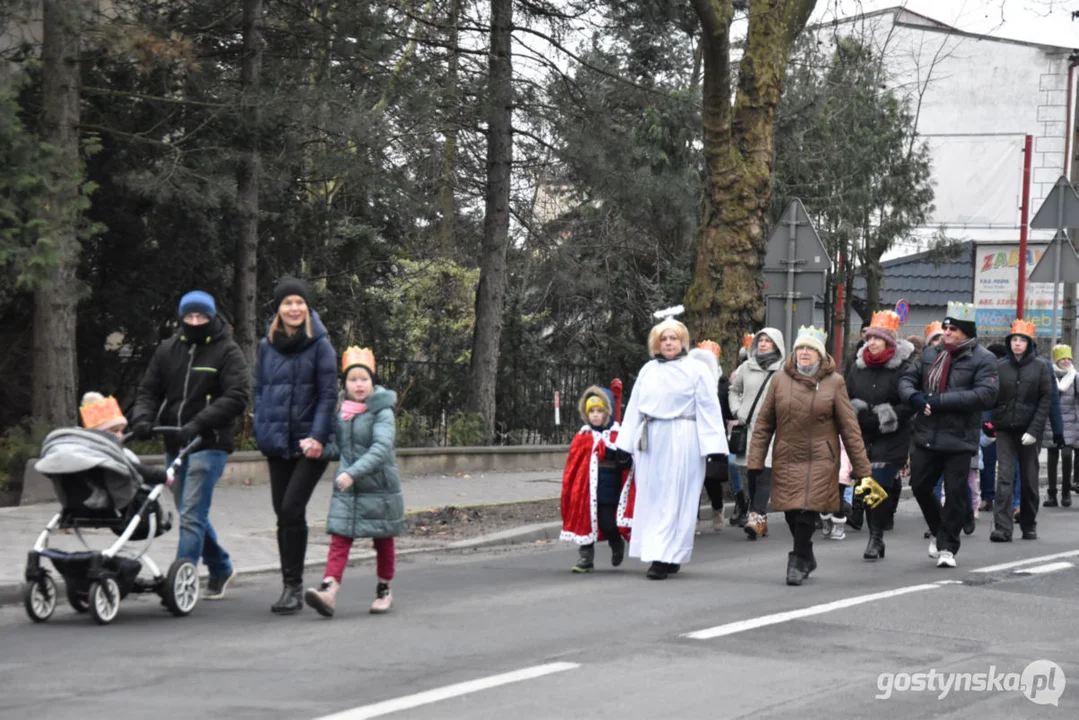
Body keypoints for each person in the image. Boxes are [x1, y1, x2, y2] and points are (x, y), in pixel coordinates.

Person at [131, 290, 249, 600]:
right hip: (176, 441)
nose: (195, 322)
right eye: (189, 317)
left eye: (201, 317)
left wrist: (200, 422)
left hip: (209, 442)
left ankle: (180, 582)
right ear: (181, 318)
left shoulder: (227, 351)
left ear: (212, 317)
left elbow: (236, 396)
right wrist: (142, 419)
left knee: (192, 515)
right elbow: (149, 390)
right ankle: (222, 567)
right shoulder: (168, 350)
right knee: (189, 512)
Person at [748, 326, 874, 585]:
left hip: (821, 457)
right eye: (800, 348)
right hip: (787, 455)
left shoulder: (834, 382)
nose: (804, 353)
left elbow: (849, 428)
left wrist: (862, 469)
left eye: (810, 349)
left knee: (806, 508)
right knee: (791, 511)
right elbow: (764, 424)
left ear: (820, 354)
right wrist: (755, 460)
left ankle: (796, 560)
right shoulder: (780, 380)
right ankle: (807, 554)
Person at [614, 317, 728, 580]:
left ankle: (666, 556)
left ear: (682, 341)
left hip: (682, 439)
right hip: (651, 440)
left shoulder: (696, 370)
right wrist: (624, 444)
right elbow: (634, 408)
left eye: (673, 338)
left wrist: (715, 449)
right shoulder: (648, 371)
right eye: (663, 338)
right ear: (656, 342)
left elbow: (709, 409)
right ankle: (660, 552)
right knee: (653, 497)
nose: (668, 343)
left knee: (676, 498)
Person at [255, 276, 339, 614]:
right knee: (283, 515)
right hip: (277, 440)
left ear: (307, 307)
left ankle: (294, 585)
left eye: (299, 303)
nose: (293, 308)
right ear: (278, 308)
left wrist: (318, 437)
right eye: (287, 303)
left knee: (291, 509)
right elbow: (260, 390)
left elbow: (328, 394)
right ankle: (289, 586)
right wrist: (262, 428)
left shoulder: (320, 344)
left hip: (311, 443)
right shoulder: (267, 345)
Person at [899, 302, 998, 568]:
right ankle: (939, 527)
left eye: (953, 328)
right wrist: (915, 397)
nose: (947, 332)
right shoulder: (931, 354)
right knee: (919, 485)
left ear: (966, 332)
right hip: (927, 433)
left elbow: (985, 395)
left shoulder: (984, 359)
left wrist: (941, 401)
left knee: (955, 492)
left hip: (960, 436)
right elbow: (906, 380)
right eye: (945, 327)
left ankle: (947, 547)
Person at [304, 348, 402, 617]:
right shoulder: (344, 412)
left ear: (372, 382)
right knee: (340, 537)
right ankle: (329, 590)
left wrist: (351, 473)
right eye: (353, 380)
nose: (359, 385)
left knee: (383, 539)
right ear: (345, 384)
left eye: (364, 380)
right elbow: (342, 450)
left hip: (379, 487)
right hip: (350, 487)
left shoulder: (382, 411)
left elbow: (381, 449)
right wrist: (317, 448)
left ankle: (384, 588)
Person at [845, 311, 916, 560]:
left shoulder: (905, 369)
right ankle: (875, 531)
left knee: (881, 484)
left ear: (889, 342)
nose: (872, 342)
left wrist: (885, 417)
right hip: (863, 435)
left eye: (878, 339)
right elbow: (846, 394)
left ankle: (876, 537)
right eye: (870, 338)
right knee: (865, 485)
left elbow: (910, 403)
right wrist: (857, 412)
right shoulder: (856, 367)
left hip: (892, 437)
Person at [559, 385, 633, 572]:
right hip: (585, 492)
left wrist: (614, 454)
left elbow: (627, 463)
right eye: (591, 411)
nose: (595, 415)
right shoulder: (582, 436)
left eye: (599, 411)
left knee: (608, 523)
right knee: (585, 524)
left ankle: (616, 543)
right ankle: (586, 559)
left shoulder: (617, 435)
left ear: (607, 413)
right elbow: (573, 467)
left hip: (609, 490)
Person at [990, 319, 1052, 542]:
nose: (1017, 344)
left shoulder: (1040, 367)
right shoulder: (1000, 367)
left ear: (1029, 344)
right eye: (1014, 340)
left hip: (1029, 430)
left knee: (1028, 479)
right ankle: (1002, 528)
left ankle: (1028, 523)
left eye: (1022, 340)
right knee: (1004, 478)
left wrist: (1035, 430)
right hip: (1005, 429)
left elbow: (1046, 400)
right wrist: (990, 423)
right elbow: (992, 397)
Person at [729, 328, 785, 540]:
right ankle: (760, 519)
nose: (762, 344)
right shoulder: (746, 367)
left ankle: (756, 517)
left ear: (777, 345)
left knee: (764, 473)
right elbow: (734, 390)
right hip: (751, 428)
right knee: (753, 474)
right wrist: (737, 411)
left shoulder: (784, 370)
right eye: (760, 340)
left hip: (774, 430)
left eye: (768, 341)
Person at [693, 341, 746, 530]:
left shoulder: (722, 386)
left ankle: (717, 507)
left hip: (715, 439)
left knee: (711, 479)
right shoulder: (691, 382)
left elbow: (731, 412)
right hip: (693, 437)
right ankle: (694, 519)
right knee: (693, 480)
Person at [1044, 345, 1078, 508]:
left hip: (1071, 423)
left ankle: (1066, 492)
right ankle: (1052, 495)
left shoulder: (1075, 377)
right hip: (1052, 422)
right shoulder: (1048, 376)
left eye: (1068, 358)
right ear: (1056, 359)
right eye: (1062, 358)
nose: (1066, 361)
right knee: (1052, 458)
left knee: (1066, 456)